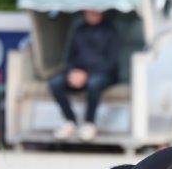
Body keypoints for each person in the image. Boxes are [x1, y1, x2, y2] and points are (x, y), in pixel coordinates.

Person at [48, 8, 121, 140]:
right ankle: (70, 121)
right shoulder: (79, 30)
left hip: (104, 74)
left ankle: (89, 123)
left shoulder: (111, 31)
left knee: (94, 83)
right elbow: (69, 57)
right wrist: (72, 72)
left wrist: (86, 74)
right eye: (89, 11)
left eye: (95, 11)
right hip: (78, 73)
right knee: (55, 83)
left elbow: (111, 62)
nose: (92, 13)